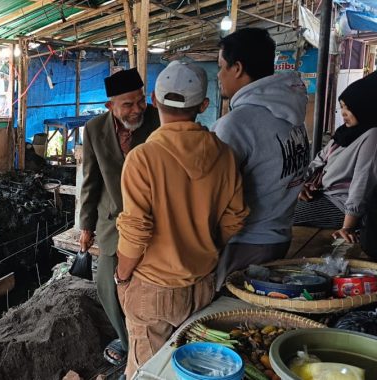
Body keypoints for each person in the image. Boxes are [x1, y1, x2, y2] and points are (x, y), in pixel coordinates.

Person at [116, 61, 249, 378]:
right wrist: (202, 247)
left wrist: (122, 277)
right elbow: (235, 219)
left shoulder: (143, 158)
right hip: (201, 284)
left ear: (152, 99)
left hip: (152, 287)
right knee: (188, 370)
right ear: (203, 105)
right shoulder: (225, 155)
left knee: (147, 372)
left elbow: (135, 232)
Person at [213, 28, 310, 289]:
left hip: (245, 243)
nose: (219, 75)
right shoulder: (292, 113)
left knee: (233, 317)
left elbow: (214, 194)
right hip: (280, 235)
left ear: (238, 68)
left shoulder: (236, 124)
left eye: (221, 66)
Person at [79, 67, 160, 368]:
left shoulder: (157, 120)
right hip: (112, 221)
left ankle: (148, 340)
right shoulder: (94, 129)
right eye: (128, 104)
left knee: (146, 285)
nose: (137, 109)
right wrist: (86, 225)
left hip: (153, 221)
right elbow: (91, 180)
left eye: (140, 100)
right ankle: (127, 341)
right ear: (110, 106)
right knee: (106, 285)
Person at [295, 72, 377, 258]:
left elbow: (362, 182)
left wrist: (348, 226)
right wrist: (303, 184)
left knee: (284, 213)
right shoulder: (343, 134)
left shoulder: (371, 135)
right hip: (321, 193)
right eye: (341, 107)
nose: (344, 113)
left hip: (339, 204)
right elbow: (317, 161)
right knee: (281, 202)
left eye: (349, 108)